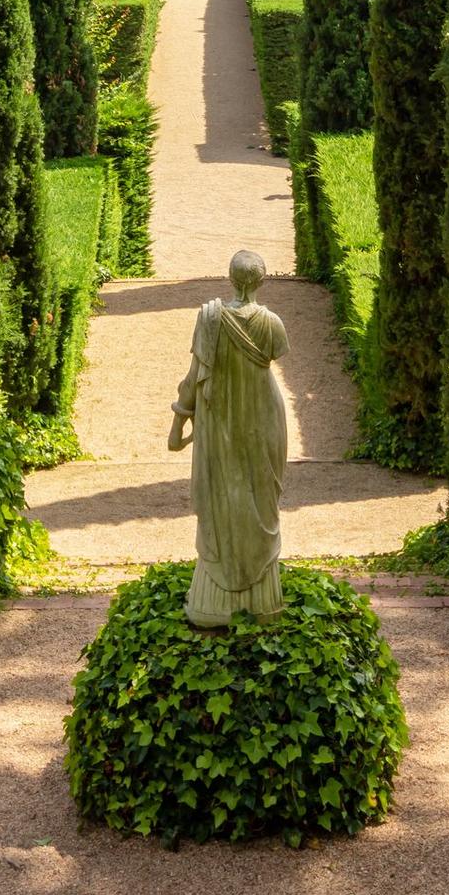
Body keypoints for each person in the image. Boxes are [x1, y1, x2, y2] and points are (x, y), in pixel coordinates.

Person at [168, 248, 288, 626]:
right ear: (262, 280)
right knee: (258, 501)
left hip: (220, 421)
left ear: (231, 279)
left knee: (223, 498)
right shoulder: (271, 323)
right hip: (262, 419)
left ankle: (213, 603)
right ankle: (259, 602)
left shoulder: (210, 319)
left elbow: (193, 377)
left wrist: (178, 423)